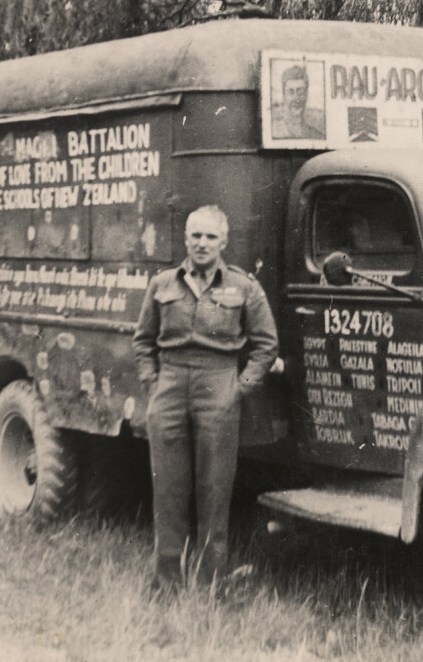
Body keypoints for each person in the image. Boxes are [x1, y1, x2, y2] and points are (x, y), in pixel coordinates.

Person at [133, 205, 278, 592]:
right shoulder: (162, 284)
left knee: (214, 489)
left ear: (224, 242)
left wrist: (240, 387)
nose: (201, 243)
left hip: (218, 385)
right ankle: (167, 583)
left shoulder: (244, 287)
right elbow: (143, 341)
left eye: (210, 236)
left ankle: (212, 582)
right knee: (168, 488)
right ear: (185, 239)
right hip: (170, 383)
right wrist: (153, 385)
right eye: (195, 235)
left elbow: (266, 346)